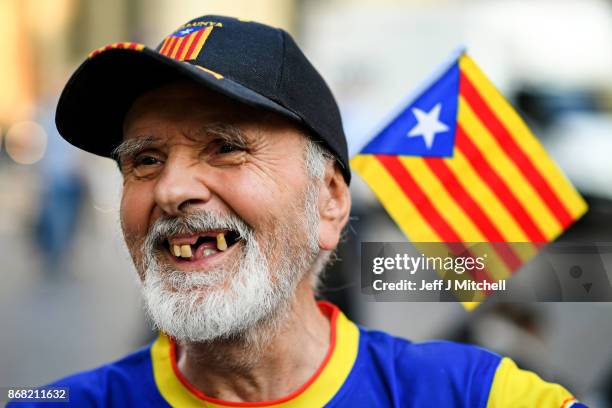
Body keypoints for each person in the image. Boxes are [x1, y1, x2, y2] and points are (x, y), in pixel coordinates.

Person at [11, 15, 586, 408]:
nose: (170, 189)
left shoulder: (464, 394)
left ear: (331, 201)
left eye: (225, 146)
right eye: (145, 159)